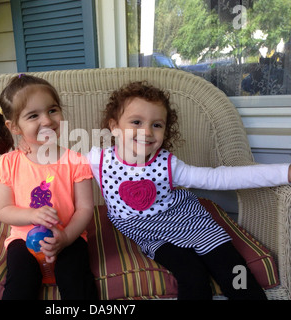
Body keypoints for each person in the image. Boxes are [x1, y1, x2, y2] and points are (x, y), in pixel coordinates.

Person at [86, 81, 291, 300]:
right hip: (149, 233)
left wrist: (284, 172)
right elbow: (56, 168)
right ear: (114, 126)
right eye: (136, 122)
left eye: (157, 125)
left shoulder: (168, 165)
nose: (146, 132)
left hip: (189, 220)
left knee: (234, 270)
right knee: (192, 275)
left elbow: (217, 178)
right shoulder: (98, 159)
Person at [0, 74, 97, 300]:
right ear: (14, 126)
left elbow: (85, 209)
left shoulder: (76, 160)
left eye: (52, 110)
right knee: (20, 282)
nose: (46, 121)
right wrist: (32, 214)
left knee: (76, 280)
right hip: (23, 241)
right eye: (33, 115)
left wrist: (65, 238)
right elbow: (4, 210)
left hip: (68, 236)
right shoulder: (9, 163)